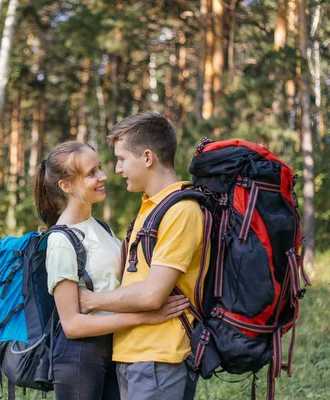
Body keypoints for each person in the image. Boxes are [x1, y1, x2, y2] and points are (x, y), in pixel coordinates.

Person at [34, 140, 189, 400]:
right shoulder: (61, 240)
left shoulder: (102, 228)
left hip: (114, 349)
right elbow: (72, 324)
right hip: (80, 357)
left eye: (100, 168)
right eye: (91, 173)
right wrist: (144, 317)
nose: (103, 176)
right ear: (66, 186)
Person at [78, 112, 210, 400]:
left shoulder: (181, 211)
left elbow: (153, 295)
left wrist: (90, 301)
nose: (117, 168)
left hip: (159, 358)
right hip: (134, 354)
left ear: (147, 157)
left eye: (122, 159)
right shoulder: (152, 207)